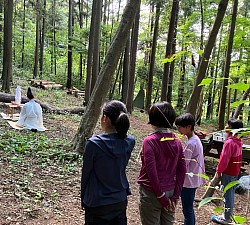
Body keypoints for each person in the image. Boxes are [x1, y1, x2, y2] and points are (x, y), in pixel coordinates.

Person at [81, 100, 135, 225]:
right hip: (120, 199)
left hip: (97, 202)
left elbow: (86, 175)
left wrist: (83, 198)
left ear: (104, 118)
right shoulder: (130, 141)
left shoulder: (93, 144)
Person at [137, 102, 186, 225]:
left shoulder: (150, 141)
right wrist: (175, 196)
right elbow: (182, 170)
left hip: (152, 193)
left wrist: (160, 196)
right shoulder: (177, 141)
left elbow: (151, 172)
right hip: (170, 191)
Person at [211, 119, 243, 225]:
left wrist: (219, 171)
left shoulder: (230, 142)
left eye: (227, 125)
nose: (225, 126)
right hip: (235, 171)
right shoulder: (238, 141)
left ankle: (227, 218)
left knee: (227, 193)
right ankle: (227, 215)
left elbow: (224, 159)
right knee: (230, 193)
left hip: (229, 172)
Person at [175, 113, 205, 225]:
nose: (178, 129)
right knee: (188, 208)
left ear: (188, 127)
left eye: (180, 127)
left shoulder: (191, 143)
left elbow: (183, 164)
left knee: (187, 209)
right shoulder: (195, 139)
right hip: (193, 179)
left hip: (188, 181)